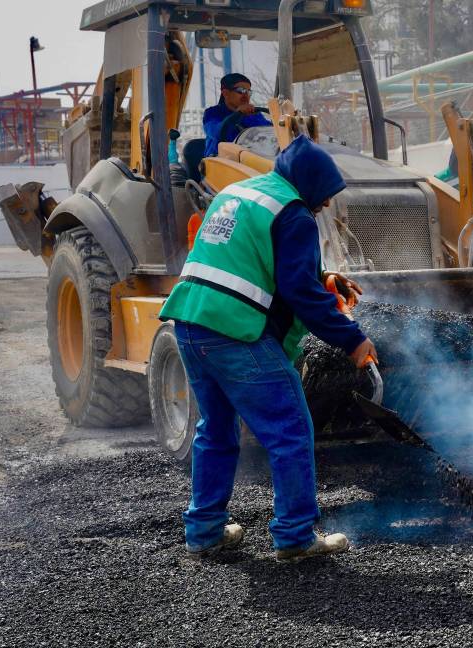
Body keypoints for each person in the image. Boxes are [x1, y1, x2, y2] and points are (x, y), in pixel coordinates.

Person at [160, 135, 376, 561]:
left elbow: (254, 261)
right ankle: (295, 536)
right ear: (310, 182)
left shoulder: (240, 192)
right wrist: (353, 339)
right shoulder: (294, 214)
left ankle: (204, 531)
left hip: (189, 323)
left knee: (216, 430)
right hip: (235, 332)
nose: (327, 205)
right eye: (327, 195)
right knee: (290, 430)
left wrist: (323, 277)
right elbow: (298, 292)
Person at [202, 73, 272, 157]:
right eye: (241, 91)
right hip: (220, 163)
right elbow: (218, 132)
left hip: (250, 161)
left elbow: (268, 131)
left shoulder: (254, 115)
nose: (246, 96)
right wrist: (238, 115)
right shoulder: (212, 114)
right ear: (226, 93)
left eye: (248, 92)